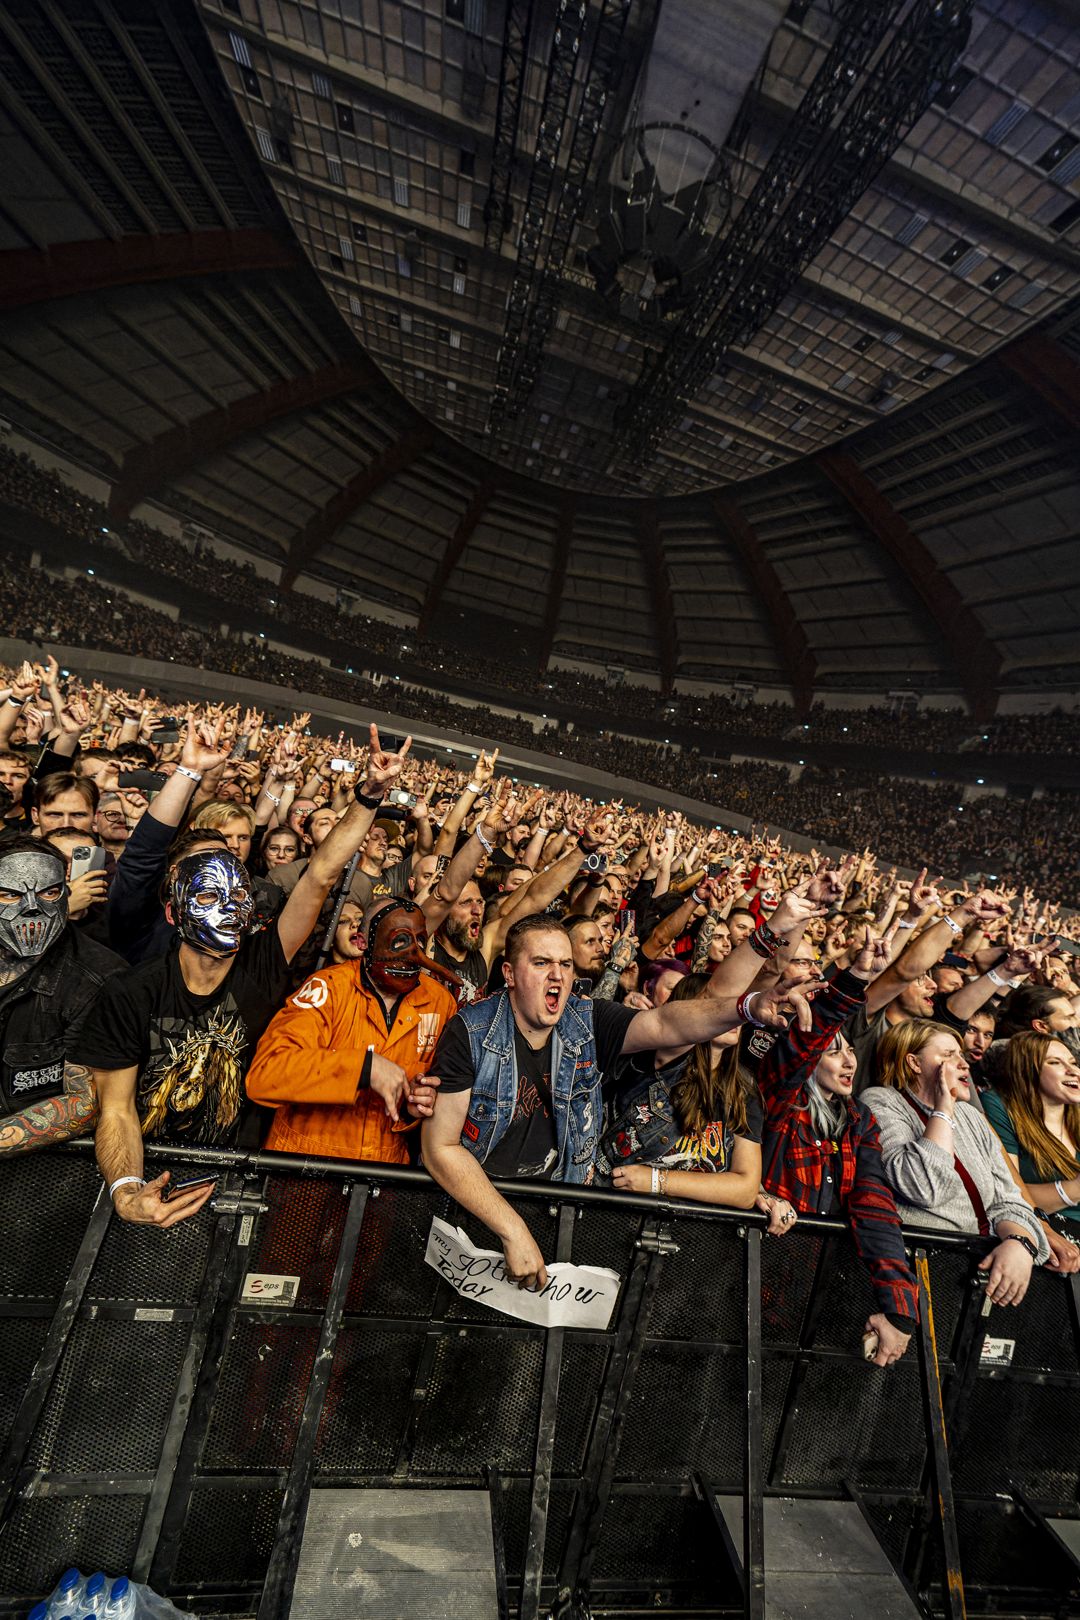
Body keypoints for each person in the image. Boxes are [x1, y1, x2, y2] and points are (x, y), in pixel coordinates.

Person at [79, 725, 413, 1227]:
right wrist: (127, 1190)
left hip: (233, 1182)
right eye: (211, 899)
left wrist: (369, 794)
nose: (230, 911)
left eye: (238, 899)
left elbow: (321, 873)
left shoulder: (262, 959)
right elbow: (118, 1110)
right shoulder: (132, 991)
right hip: (146, 1176)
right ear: (174, 913)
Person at [420, 882, 822, 1289]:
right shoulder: (472, 1031)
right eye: (541, 963)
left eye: (565, 964)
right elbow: (441, 1148)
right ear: (508, 972)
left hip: (562, 1216)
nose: (557, 975)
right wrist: (511, 1228)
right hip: (478, 1218)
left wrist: (748, 1006)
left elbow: (676, 1020)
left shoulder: (587, 1021)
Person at [757, 926, 920, 1367]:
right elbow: (802, 1046)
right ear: (812, 1064)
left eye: (851, 1052)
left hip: (823, 1289)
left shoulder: (859, 1119)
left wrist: (899, 1306)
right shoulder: (782, 1104)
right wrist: (852, 981)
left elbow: (872, 1202)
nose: (848, 1060)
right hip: (756, 1278)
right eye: (834, 1053)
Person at [246, 898, 456, 1161]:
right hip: (304, 1170)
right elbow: (266, 1074)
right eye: (399, 941)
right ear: (362, 942)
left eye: (420, 942)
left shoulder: (439, 1001)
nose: (414, 953)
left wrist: (413, 1105)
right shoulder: (328, 988)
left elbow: (442, 1099)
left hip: (382, 1177)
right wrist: (363, 1068)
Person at [862, 1021, 1049, 1307]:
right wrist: (943, 1109)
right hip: (916, 1273)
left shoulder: (971, 1116)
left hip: (979, 1270)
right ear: (913, 1062)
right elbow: (922, 1187)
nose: (963, 1064)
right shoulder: (881, 1101)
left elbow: (1008, 1199)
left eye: (961, 1055)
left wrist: (1019, 1243)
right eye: (949, 1055)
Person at [0, 835, 124, 1156]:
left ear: (67, 895)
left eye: (49, 893)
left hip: (44, 1178)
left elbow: (87, 1102)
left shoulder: (101, 978)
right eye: (10, 896)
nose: (31, 909)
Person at [983, 1034, 1080, 1231]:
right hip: (1044, 1230)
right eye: (1055, 1062)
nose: (1073, 1071)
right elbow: (1005, 1194)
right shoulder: (999, 1105)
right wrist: (1075, 1189)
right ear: (1026, 1070)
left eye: (1073, 1062)